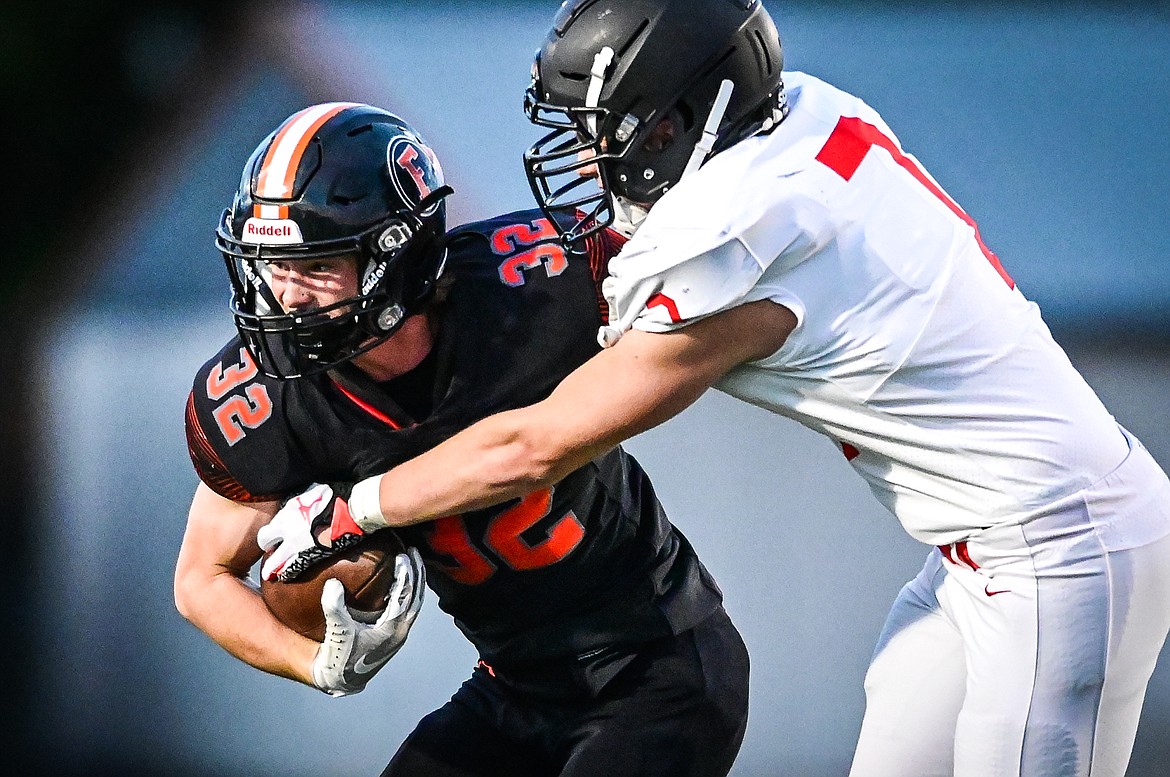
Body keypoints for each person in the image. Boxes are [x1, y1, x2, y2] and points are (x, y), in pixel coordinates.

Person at [256, 3, 1170, 777]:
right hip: (980, 555)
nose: (588, 150)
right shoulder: (798, 116)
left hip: (1058, 549)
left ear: (690, 113)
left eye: (612, 128)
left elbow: (533, 444)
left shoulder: (745, 230)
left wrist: (353, 512)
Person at [173, 101, 750, 777]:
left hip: (658, 661)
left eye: (316, 264)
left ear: (394, 254)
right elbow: (199, 579)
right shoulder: (273, 396)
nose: (285, 296)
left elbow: (708, 275)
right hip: (513, 686)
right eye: (271, 265)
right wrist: (313, 662)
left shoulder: (539, 291)